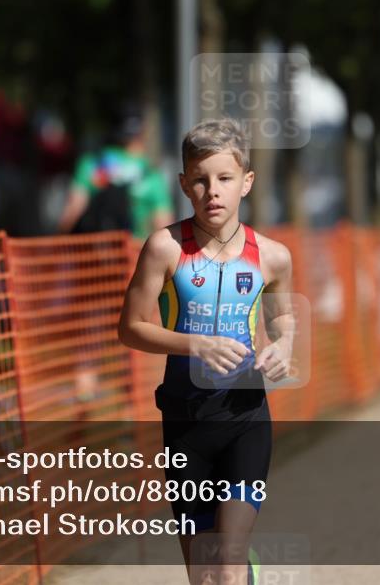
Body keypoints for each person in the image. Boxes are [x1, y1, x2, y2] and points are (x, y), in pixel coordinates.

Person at [118, 118, 295, 585]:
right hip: (185, 420)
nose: (212, 191)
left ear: (247, 183)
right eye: (199, 180)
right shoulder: (164, 248)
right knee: (205, 576)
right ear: (183, 185)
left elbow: (282, 317)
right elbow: (131, 328)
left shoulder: (272, 256)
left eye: (224, 178)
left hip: (245, 415)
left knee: (229, 566)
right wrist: (193, 343)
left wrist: (285, 343)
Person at [57, 105, 174, 239]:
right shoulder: (150, 174)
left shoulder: (92, 164)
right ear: (141, 133)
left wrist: (57, 238)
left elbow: (74, 209)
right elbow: (163, 225)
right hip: (134, 253)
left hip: (96, 253)